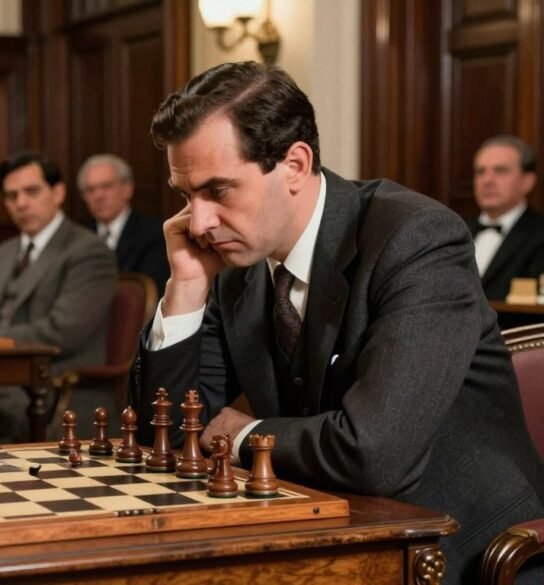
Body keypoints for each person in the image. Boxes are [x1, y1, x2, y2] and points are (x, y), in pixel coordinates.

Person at [131, 62, 544, 585]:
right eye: (186, 196)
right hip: (330, 536)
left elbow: (375, 454)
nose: (198, 222)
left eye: (219, 190)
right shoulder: (236, 268)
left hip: (464, 550)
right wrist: (185, 289)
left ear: (296, 164)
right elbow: (160, 437)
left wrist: (242, 437)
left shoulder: (417, 239)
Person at [0, 151, 117, 441]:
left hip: (49, 388)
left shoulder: (88, 251)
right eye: (11, 195)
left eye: (31, 191)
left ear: (58, 192)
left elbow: (64, 331)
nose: (21, 203)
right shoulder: (1, 254)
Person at [465, 135, 544, 300]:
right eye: (481, 172)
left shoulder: (539, 234)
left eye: (500, 171)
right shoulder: (454, 230)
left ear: (527, 181)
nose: (487, 180)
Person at [78, 153, 169, 295]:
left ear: (127, 189)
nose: (98, 196)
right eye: (91, 190)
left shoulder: (154, 234)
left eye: (106, 186)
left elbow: (150, 292)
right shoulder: (79, 237)